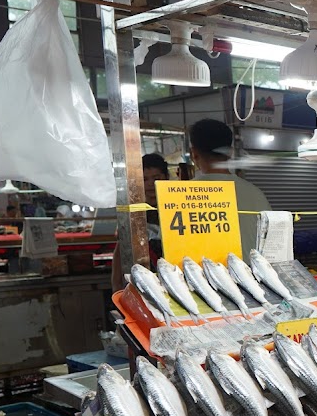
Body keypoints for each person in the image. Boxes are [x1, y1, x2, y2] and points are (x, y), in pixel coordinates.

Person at [188, 119, 272, 258]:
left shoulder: (180, 195)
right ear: (230, 152)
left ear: (194, 154)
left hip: (199, 272)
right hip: (254, 272)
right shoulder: (256, 194)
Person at [111, 154, 168, 291]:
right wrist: (116, 285)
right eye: (144, 179)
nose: (150, 184)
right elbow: (121, 250)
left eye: (156, 178)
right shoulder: (133, 212)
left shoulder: (176, 208)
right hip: (144, 282)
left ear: (166, 177)